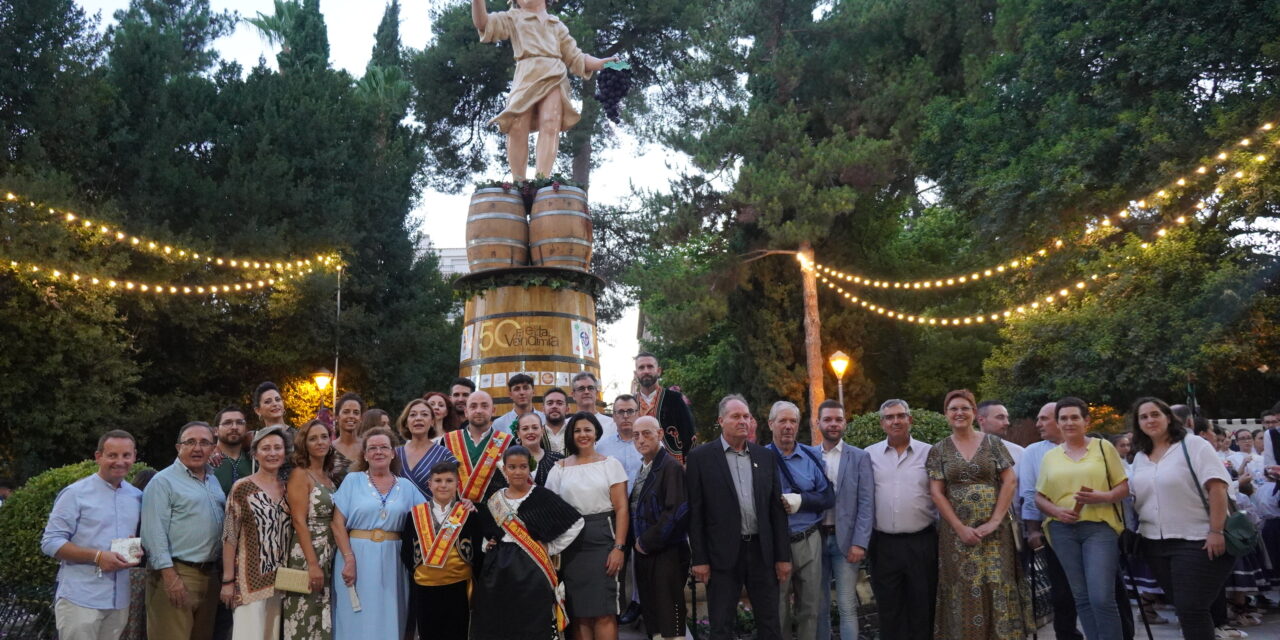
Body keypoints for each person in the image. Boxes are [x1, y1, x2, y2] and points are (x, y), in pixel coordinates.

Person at [927, 389, 1032, 640]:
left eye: (965, 408)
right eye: (953, 409)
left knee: (997, 582)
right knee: (964, 588)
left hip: (996, 534)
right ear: (946, 415)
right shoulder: (938, 450)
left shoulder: (993, 444)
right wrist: (960, 528)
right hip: (956, 537)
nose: (959, 413)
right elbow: (937, 493)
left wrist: (995, 520)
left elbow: (1009, 481)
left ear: (974, 413)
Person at [470, 0, 617, 180]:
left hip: (554, 74)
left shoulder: (557, 25)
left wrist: (602, 63)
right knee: (517, 126)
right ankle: (519, 183)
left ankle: (542, 181)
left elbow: (576, 57)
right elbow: (483, 23)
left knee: (550, 123)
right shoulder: (513, 17)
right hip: (526, 74)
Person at [1129, 397, 1236, 640]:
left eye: (1155, 414)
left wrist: (1216, 531)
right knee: (1186, 609)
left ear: (1168, 417)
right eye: (1143, 417)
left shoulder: (1193, 445)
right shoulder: (1140, 457)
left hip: (1196, 539)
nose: (1150, 420)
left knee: (1191, 608)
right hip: (1154, 542)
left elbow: (1217, 488)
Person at [687, 394, 791, 640]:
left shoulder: (765, 457)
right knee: (721, 626)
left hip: (761, 554)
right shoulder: (700, 458)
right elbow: (695, 512)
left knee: (770, 623)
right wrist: (699, 559)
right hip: (721, 555)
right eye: (736, 416)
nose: (743, 421)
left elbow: (776, 511)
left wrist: (782, 557)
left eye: (746, 416)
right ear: (721, 420)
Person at [1034, 398, 1129, 640]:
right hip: (1061, 530)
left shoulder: (1103, 448)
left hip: (1100, 528)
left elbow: (1124, 487)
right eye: (1063, 418)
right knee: (1082, 598)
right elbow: (1039, 498)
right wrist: (1056, 512)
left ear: (1086, 420)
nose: (1069, 422)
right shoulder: (1050, 457)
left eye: (1074, 417)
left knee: (1101, 597)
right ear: (1058, 423)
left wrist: (1102, 496)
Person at [471, 446, 584, 640]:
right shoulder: (495, 499)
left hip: (532, 567)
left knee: (532, 619)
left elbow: (576, 522)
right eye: (512, 467)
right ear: (504, 469)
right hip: (497, 569)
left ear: (529, 468)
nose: (517, 472)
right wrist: (487, 543)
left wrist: (551, 547)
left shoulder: (541, 496)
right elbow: (487, 529)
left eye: (523, 467)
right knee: (498, 618)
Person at [41, 430, 143, 640]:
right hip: (81, 598)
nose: (120, 461)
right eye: (112, 455)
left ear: (134, 457)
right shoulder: (75, 494)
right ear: (98, 457)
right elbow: (51, 542)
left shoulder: (137, 496)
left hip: (119, 599)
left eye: (126, 455)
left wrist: (139, 549)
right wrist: (97, 556)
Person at [331, 427, 428, 640]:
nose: (378, 452)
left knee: (391, 614)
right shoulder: (352, 480)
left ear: (393, 452)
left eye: (384, 447)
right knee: (355, 616)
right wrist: (348, 558)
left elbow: (430, 517)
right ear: (364, 455)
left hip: (393, 559)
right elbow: (338, 523)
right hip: (356, 555)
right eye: (372, 448)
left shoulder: (406, 487)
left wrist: (463, 506)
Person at [545, 411, 630, 640]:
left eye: (587, 430)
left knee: (604, 611)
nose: (583, 435)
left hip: (603, 538)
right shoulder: (559, 468)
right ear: (571, 435)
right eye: (577, 430)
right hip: (570, 544)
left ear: (596, 433)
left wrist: (619, 547)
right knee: (579, 612)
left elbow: (622, 508)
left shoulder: (610, 465)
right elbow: (549, 510)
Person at [141, 421, 227, 640]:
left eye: (204, 442)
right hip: (177, 574)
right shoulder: (163, 482)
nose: (197, 448)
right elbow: (153, 534)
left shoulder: (213, 480)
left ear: (213, 448)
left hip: (210, 575)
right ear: (178, 446)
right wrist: (170, 577)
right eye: (190, 442)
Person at [867, 399, 937, 640]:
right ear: (882, 423)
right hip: (884, 545)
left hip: (922, 542)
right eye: (889, 417)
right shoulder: (869, 455)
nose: (895, 421)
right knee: (889, 609)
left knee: (922, 606)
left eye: (900, 415)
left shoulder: (930, 452)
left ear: (910, 419)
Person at [765, 401, 834, 640]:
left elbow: (828, 496)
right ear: (770, 424)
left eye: (792, 421)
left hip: (808, 540)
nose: (788, 426)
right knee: (778, 609)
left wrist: (800, 500)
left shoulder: (810, 456)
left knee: (810, 607)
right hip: (776, 544)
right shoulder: (760, 458)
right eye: (782, 421)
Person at [1019, 401, 1084, 639]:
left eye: (1043, 419)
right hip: (1055, 529)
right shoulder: (1033, 452)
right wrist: (1032, 530)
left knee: (1106, 589)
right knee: (1062, 591)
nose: (1038, 424)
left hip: (1096, 528)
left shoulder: (1095, 447)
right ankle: (1066, 635)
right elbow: (1029, 492)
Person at [220, 426, 292, 640]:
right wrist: (228, 581)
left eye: (277, 448)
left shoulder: (290, 488)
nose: (272, 453)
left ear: (285, 453)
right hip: (249, 581)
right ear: (255, 453)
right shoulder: (242, 488)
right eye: (266, 448)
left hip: (283, 580)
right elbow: (229, 535)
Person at [400, 461, 482, 640]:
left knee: (458, 632)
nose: (443, 485)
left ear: (457, 484)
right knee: (428, 633)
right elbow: (406, 551)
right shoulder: (414, 515)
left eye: (449, 480)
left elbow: (478, 551)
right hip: (425, 588)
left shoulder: (469, 514)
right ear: (429, 484)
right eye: (438, 480)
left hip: (459, 588)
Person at [813, 400, 874, 640]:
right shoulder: (808, 455)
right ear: (818, 423)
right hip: (815, 541)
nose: (833, 424)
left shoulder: (860, 457)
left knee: (848, 606)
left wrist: (860, 542)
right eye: (827, 419)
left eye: (838, 419)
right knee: (820, 607)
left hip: (846, 542)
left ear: (844, 423)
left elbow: (866, 503)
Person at [628, 417, 690, 640]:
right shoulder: (645, 466)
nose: (641, 440)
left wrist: (646, 542)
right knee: (653, 614)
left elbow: (677, 511)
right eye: (636, 435)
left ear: (660, 434)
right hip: (647, 553)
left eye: (647, 434)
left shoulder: (670, 466)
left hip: (667, 553)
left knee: (670, 617)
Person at [282, 421, 337, 640]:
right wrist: (313, 564)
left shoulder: (327, 476)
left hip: (328, 550)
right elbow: (298, 520)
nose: (320, 442)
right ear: (304, 444)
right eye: (313, 438)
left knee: (322, 616)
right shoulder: (300, 474)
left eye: (324, 436)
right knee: (304, 616)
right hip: (307, 551)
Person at [441, 391, 514, 503]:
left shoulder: (508, 442)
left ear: (493, 410)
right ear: (466, 412)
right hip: (456, 513)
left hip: (493, 513)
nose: (479, 411)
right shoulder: (448, 440)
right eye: (473, 406)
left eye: (484, 406)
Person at [632, 352, 696, 463]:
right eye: (641, 367)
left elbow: (688, 434)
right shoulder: (630, 404)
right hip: (638, 465)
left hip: (673, 466)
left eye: (650, 366)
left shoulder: (674, 399)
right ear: (636, 374)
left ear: (659, 371)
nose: (646, 371)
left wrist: (689, 465)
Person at [396, 398, 457, 498]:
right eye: (413, 415)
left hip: (431, 512)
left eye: (424, 414)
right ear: (406, 422)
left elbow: (453, 493)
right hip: (398, 513)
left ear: (432, 421)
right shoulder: (394, 454)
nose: (418, 418)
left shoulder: (444, 454)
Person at [596, 394, 643, 491]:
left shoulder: (652, 444)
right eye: (621, 412)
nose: (625, 416)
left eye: (630, 411)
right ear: (613, 416)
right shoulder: (602, 448)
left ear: (638, 414)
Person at [515, 411, 563, 487]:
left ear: (542, 430)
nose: (530, 432)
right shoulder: (509, 461)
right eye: (525, 429)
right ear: (518, 433)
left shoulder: (558, 459)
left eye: (535, 428)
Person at [212, 407, 252, 497]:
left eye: (240, 423)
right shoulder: (206, 461)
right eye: (227, 423)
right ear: (215, 431)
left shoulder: (255, 461)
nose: (234, 427)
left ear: (246, 429)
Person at [978, 400, 1025, 465]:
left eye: (1007, 418)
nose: (1007, 423)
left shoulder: (1019, 452)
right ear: (981, 420)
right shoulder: (966, 451)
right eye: (1000, 417)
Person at [572, 372, 617, 440]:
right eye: (581, 389)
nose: (586, 392)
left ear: (597, 393)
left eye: (590, 388)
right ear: (573, 395)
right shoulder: (566, 425)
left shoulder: (612, 425)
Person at [331, 392, 364, 484]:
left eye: (356, 412)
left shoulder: (368, 447)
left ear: (361, 418)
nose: (351, 416)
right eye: (346, 412)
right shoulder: (328, 450)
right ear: (337, 416)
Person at [543, 387, 571, 455]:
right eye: (550, 403)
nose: (554, 406)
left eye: (559, 403)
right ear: (543, 409)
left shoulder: (575, 433)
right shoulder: (536, 434)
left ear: (567, 409)